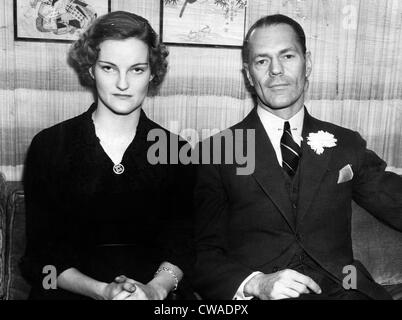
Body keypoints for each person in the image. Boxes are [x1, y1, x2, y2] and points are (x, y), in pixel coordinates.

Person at [193, 14, 402, 300]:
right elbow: (199, 253)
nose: (276, 70)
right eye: (262, 61)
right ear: (248, 74)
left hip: (346, 290)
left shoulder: (346, 144)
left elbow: (393, 198)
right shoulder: (214, 153)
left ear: (308, 63)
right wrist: (256, 284)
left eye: (287, 56)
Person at [21, 11, 194, 300]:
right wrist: (103, 291)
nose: (123, 84)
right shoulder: (50, 146)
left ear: (153, 73)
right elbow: (40, 262)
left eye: (137, 69)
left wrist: (154, 290)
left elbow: (183, 249)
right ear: (91, 69)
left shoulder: (177, 151)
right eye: (109, 68)